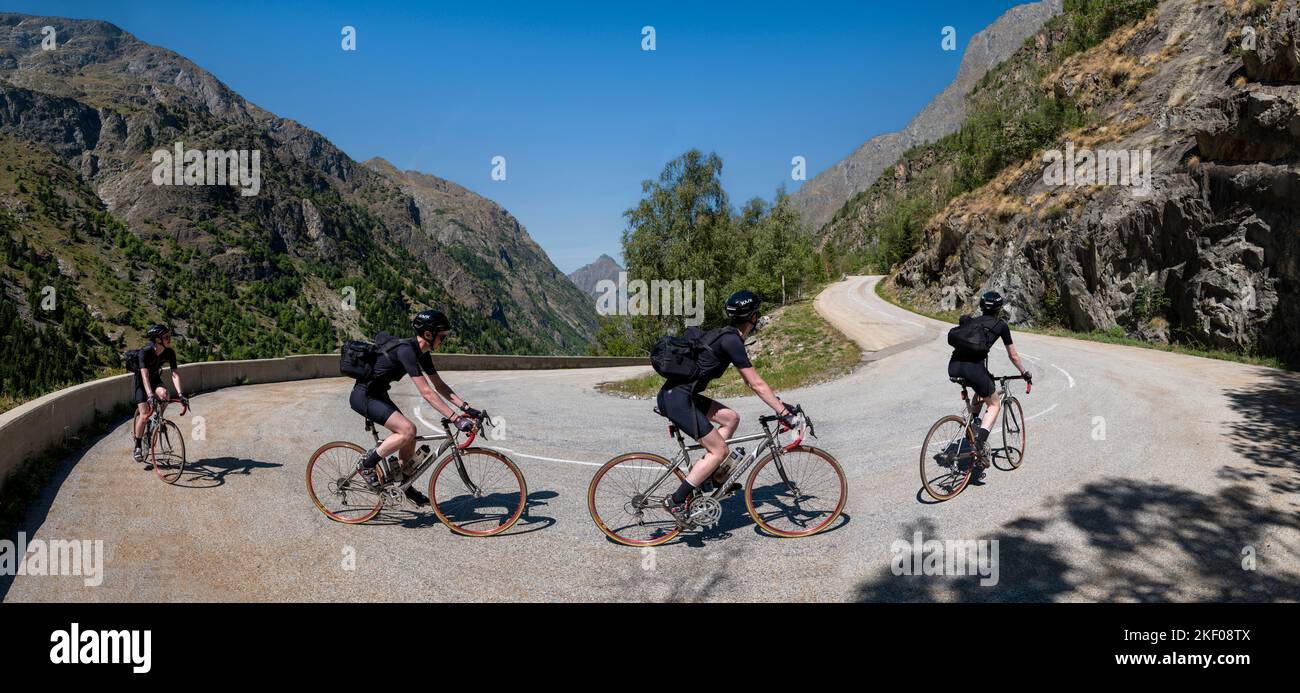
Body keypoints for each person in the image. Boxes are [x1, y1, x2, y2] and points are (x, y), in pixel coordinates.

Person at [656, 290, 800, 522]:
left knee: (731, 418)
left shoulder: (727, 335)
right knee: (720, 450)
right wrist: (784, 413)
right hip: (678, 400)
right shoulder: (732, 340)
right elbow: (755, 383)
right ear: (752, 317)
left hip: (679, 396)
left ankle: (709, 477)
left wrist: (780, 405)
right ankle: (676, 501)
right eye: (757, 313)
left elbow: (752, 382)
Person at [349, 309, 481, 506]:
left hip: (379, 394)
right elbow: (427, 392)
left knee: (409, 435)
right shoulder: (406, 350)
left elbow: (440, 385)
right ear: (429, 334)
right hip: (364, 396)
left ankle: (403, 483)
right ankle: (366, 464)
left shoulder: (423, 353)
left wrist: (467, 408)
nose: (444, 340)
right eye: (442, 336)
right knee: (407, 430)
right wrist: (456, 418)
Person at [947, 291, 1031, 477]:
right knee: (994, 404)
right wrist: (1024, 373)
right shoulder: (1000, 325)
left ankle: (974, 422)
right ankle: (978, 444)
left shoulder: (972, 321)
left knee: (983, 385)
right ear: (999, 309)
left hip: (954, 367)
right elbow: (1013, 356)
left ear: (982, 306)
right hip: (973, 370)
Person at [131, 325, 189, 463]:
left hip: (155, 378)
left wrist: (181, 394)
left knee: (165, 395)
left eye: (170, 336)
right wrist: (150, 395)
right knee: (144, 415)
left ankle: (158, 418)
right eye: (166, 337)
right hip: (141, 381)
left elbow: (174, 374)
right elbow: (144, 376)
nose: (169, 339)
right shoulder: (145, 352)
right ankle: (138, 445)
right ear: (157, 339)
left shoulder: (169, 352)